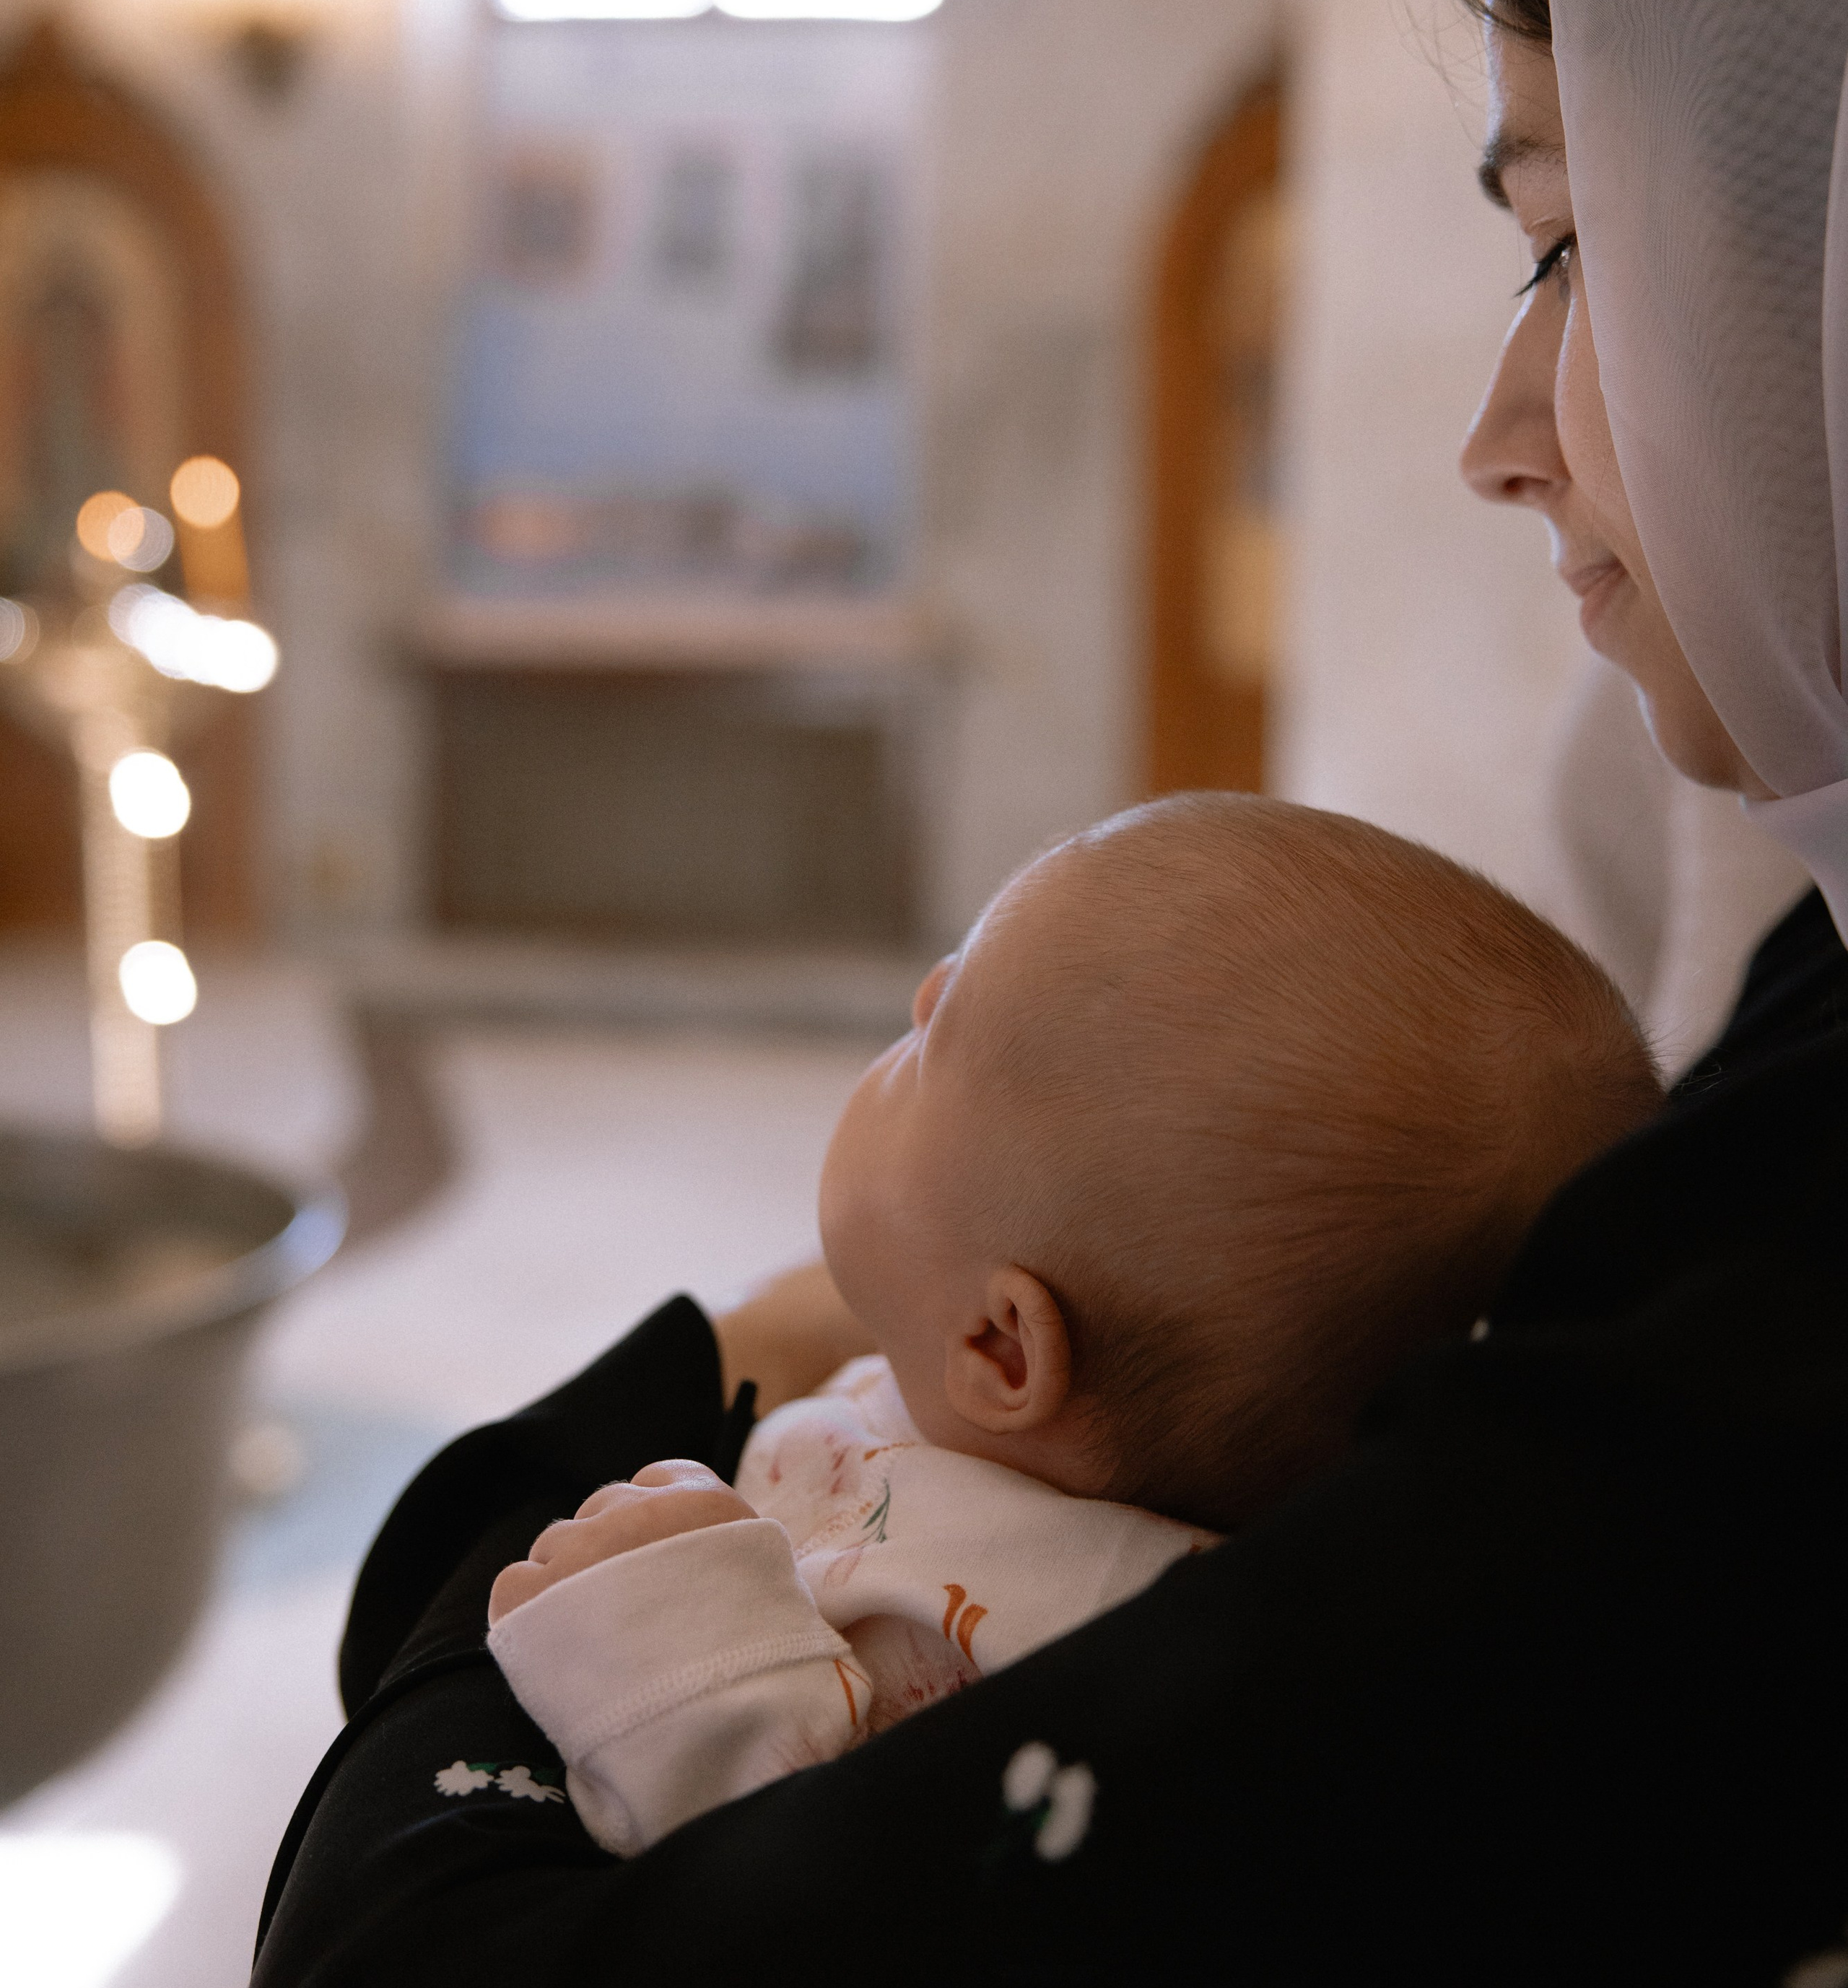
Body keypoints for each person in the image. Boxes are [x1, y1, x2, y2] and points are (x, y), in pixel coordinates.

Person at [175, 0, 1848, 1988]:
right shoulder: (1768, 1034)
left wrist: (692, 1411)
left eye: (1579, 240)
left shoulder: (1734, 1378)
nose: (1495, 431)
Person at [482, 795, 1657, 1860]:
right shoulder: (1021, 1443)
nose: (925, 992)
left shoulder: (1046, 1644)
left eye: (939, 1039)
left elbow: (772, 1891)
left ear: (1001, 1348)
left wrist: (661, 1631)